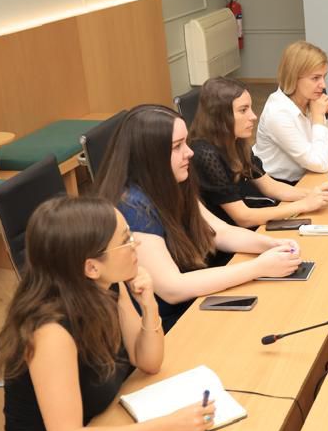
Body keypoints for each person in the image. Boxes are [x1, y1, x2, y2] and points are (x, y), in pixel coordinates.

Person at [0, 196, 214, 431]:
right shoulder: (50, 331)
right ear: (90, 266)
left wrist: (149, 306)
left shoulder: (105, 286)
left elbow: (147, 360)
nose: (136, 242)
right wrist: (166, 426)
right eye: (125, 240)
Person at [95, 104, 304, 331]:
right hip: (166, 326)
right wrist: (258, 267)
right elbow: (173, 288)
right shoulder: (131, 206)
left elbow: (218, 232)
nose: (190, 152)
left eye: (185, 142)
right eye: (177, 146)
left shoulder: (172, 180)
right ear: (151, 157)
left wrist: (270, 244)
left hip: (191, 301)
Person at [189, 77, 328, 227]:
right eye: (243, 110)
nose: (253, 116)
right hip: (224, 240)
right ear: (220, 116)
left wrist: (314, 194)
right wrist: (303, 205)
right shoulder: (205, 154)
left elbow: (271, 187)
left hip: (244, 225)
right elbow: (243, 218)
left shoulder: (236, 141)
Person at [254, 40, 328, 180]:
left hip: (305, 178)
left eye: (324, 76)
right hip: (276, 188)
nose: (323, 85)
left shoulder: (311, 101)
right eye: (315, 78)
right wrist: (318, 119)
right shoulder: (278, 113)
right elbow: (320, 164)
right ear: (294, 77)